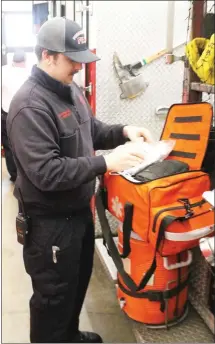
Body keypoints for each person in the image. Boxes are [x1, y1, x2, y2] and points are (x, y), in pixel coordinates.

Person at [7, 17, 153, 343]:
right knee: (53, 299)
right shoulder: (30, 106)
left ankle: (69, 335)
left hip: (78, 217)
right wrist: (105, 162)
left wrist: (124, 132)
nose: (78, 66)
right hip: (50, 227)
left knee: (75, 286)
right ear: (47, 56)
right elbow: (47, 172)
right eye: (71, 59)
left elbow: (93, 129)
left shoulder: (69, 90)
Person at [1, 49, 29, 182]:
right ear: (24, 61)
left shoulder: (3, 71)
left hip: (6, 114)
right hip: (25, 116)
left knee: (8, 146)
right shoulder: (29, 72)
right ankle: (26, 174)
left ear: (12, 60)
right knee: (26, 145)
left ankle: (14, 175)